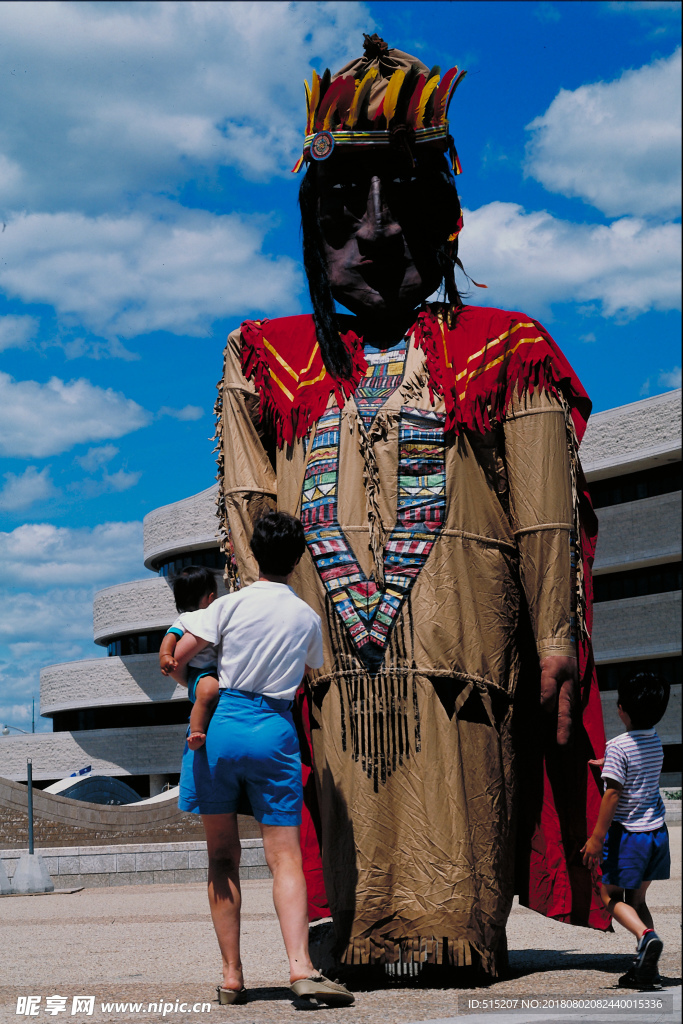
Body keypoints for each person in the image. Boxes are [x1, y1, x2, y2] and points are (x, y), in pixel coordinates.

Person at [215, 34, 608, 978]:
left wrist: (554, 632)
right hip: (323, 649)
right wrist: (242, 641)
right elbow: (245, 506)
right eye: (349, 205)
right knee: (343, 783)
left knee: (461, 777)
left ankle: (461, 935)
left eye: (403, 202)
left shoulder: (504, 346)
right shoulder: (263, 354)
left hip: (470, 641)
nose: (380, 231)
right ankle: (350, 936)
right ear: (314, 226)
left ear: (443, 221)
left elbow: (546, 505)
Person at [173, 512, 355, 1006]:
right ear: (299, 558)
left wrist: (193, 686)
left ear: (253, 551)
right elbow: (313, 664)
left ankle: (232, 976)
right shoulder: (305, 617)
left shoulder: (229, 604)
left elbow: (181, 656)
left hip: (221, 726)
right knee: (285, 858)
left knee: (221, 856)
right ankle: (300, 968)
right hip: (274, 728)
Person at [581, 672, 671, 989]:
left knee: (608, 894)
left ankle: (646, 936)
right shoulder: (655, 739)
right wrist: (609, 762)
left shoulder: (619, 746)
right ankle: (647, 967)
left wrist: (596, 838)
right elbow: (638, 760)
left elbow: (613, 794)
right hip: (658, 835)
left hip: (630, 836)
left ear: (622, 709)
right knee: (638, 900)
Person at [158, 565, 220, 750]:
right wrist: (165, 655)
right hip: (200, 672)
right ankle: (196, 731)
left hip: (212, 670)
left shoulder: (209, 616)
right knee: (209, 691)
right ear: (210, 597)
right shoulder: (186, 619)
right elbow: (170, 636)